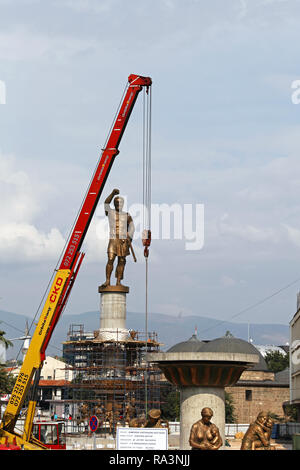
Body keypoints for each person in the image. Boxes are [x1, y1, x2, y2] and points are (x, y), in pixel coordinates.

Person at [101, 189, 135, 287]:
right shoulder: (110, 212)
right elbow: (106, 203)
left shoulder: (127, 215)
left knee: (122, 261)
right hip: (113, 239)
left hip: (123, 241)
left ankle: (118, 281)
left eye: (120, 203)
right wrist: (112, 194)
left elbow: (132, 227)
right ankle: (107, 280)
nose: (119, 204)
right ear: (114, 204)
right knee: (110, 259)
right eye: (117, 203)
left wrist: (130, 235)